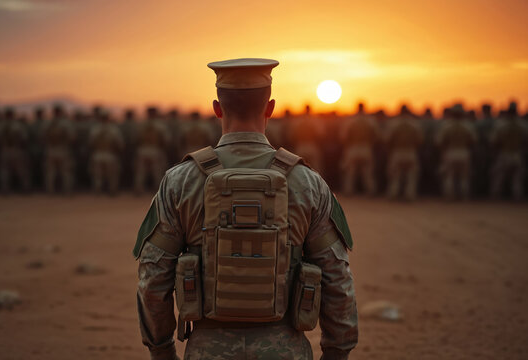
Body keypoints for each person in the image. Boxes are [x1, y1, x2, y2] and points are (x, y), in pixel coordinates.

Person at [133, 58, 358, 360]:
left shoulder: (180, 181)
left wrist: (161, 351)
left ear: (217, 108)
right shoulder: (308, 182)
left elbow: (153, 276)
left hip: (206, 350)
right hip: (285, 349)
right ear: (270, 108)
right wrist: (337, 352)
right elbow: (337, 278)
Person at [435, 104, 478, 200]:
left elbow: (439, 142)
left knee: (449, 175)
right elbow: (473, 141)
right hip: (464, 152)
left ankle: (449, 196)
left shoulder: (446, 126)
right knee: (464, 176)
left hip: (450, 152)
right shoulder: (468, 126)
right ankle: (463, 196)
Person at [384, 105, 424, 200]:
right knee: (411, 176)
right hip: (410, 152)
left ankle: (394, 193)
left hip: (397, 151)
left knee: (395, 175)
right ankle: (409, 195)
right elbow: (420, 140)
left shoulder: (393, 124)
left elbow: (388, 139)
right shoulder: (415, 124)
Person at [339, 103, 380, 195]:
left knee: (350, 171)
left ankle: (349, 191)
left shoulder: (350, 121)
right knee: (367, 172)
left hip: (353, 148)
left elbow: (343, 136)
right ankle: (370, 191)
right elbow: (376, 135)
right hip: (366, 147)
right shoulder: (370, 120)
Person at [489, 102, 527, 200]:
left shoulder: (501, 125)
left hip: (504, 153)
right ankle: (517, 196)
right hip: (517, 153)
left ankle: (496, 196)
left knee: (499, 177)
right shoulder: (523, 125)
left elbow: (494, 141)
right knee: (517, 178)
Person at [0, 107, 32, 193]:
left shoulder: (0, 125)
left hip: (5, 150)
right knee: (21, 170)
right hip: (16, 149)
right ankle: (25, 188)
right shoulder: (18, 125)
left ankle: (4, 189)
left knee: (4, 171)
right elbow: (24, 139)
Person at [133, 107, 169, 194]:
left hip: (142, 149)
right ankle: (158, 189)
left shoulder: (141, 124)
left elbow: (135, 139)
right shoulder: (160, 125)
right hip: (155, 149)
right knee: (157, 170)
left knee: (141, 171)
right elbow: (166, 140)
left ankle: (139, 188)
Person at [41, 105, 76, 194]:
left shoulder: (47, 123)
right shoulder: (66, 123)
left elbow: (42, 137)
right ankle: (67, 191)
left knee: (50, 173)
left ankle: (50, 190)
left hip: (50, 150)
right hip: (63, 150)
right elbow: (72, 138)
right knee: (66, 172)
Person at [88, 110, 124, 194]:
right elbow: (120, 143)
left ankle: (97, 190)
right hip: (110, 155)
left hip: (97, 154)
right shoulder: (114, 129)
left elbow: (90, 143)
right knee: (112, 175)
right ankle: (112, 190)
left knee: (97, 175)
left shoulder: (95, 129)